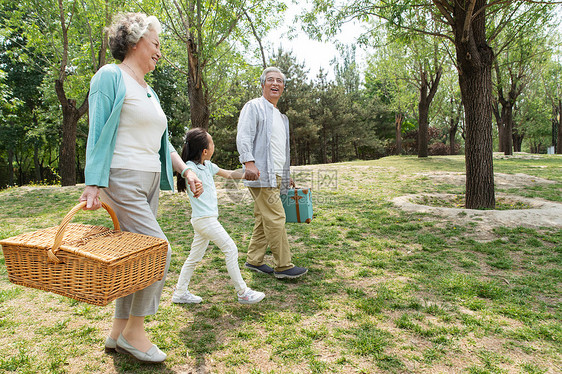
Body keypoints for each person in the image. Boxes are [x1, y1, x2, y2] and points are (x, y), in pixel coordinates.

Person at [79, 13, 203, 363]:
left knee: (135, 256)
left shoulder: (148, 89)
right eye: (156, 44)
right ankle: (136, 332)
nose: (159, 53)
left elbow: (162, 142)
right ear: (135, 41)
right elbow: (98, 130)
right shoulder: (110, 76)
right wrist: (93, 183)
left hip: (149, 180)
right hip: (121, 178)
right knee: (157, 250)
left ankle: (118, 332)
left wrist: (186, 171)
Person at [172, 128, 266, 305]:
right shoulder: (190, 169)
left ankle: (180, 292)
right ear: (205, 151)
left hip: (205, 220)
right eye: (212, 143)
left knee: (193, 258)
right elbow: (189, 177)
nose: (214, 145)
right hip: (205, 220)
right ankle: (242, 292)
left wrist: (248, 174)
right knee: (231, 249)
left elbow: (229, 174)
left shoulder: (208, 166)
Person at [236, 67, 308, 279]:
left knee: (263, 218)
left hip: (276, 173)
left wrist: (286, 175)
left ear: (283, 87)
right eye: (271, 80)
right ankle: (283, 266)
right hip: (260, 173)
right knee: (277, 217)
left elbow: (279, 149)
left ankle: (254, 260)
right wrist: (248, 162)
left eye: (279, 81)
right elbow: (244, 136)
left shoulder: (281, 117)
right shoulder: (254, 107)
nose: (275, 84)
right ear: (262, 84)